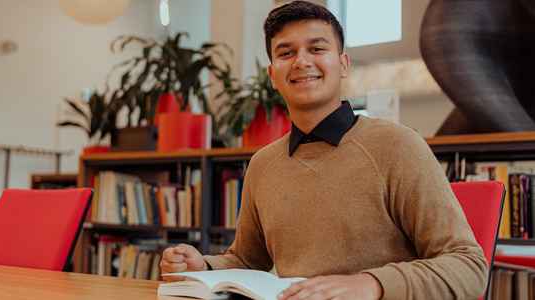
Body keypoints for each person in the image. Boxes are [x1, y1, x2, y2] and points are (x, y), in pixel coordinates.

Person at [159, 1, 488, 300]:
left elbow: (468, 266)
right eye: (286, 53)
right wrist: (204, 265)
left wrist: (370, 284)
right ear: (273, 74)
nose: (301, 61)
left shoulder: (399, 147)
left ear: (343, 64)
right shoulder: (262, 164)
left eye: (317, 48)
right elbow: (247, 259)